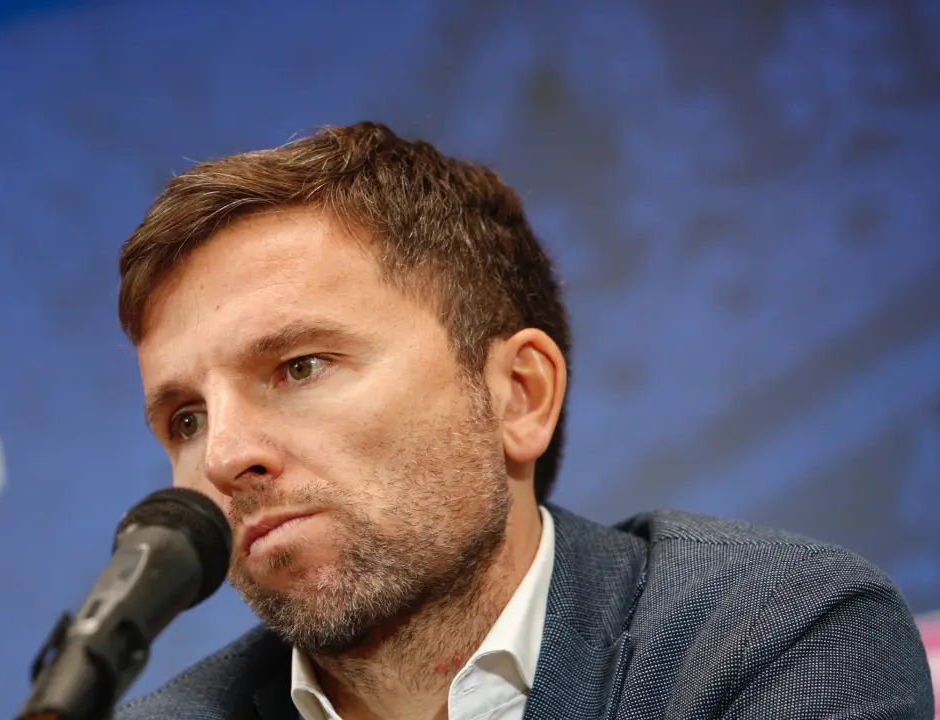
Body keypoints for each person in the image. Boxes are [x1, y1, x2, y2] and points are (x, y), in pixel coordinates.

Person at [111, 122, 934, 719]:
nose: (224, 456)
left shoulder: (772, 636)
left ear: (519, 394)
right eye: (186, 419)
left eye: (300, 367)